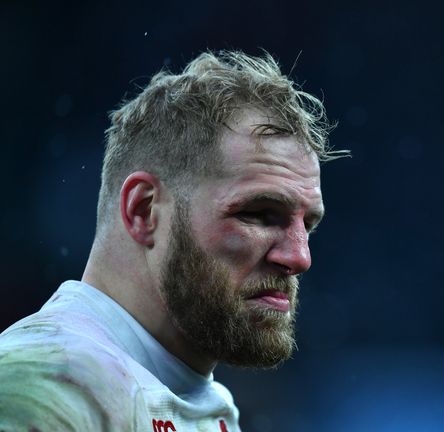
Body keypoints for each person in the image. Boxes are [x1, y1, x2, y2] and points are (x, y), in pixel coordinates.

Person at [0, 50, 346, 431]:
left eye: (307, 225)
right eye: (259, 214)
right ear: (144, 210)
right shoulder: (49, 383)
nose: (299, 257)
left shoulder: (204, 404)